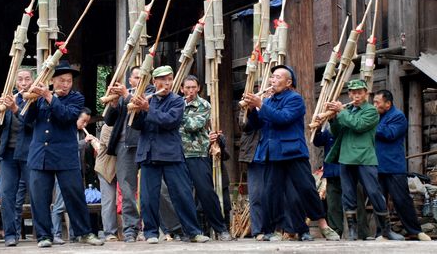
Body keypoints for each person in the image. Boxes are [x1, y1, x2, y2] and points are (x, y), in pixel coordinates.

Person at [243, 65, 339, 242]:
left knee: (305, 188)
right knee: (272, 192)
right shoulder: (269, 101)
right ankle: (273, 230)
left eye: (278, 77)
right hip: (273, 154)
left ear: (288, 82)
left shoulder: (295, 99)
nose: (273, 80)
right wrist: (251, 110)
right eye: (272, 77)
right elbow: (257, 125)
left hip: (293, 152)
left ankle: (323, 224)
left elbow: (283, 118)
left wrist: (260, 104)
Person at [23, 61, 103, 248]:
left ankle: (84, 233)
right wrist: (31, 100)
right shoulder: (40, 98)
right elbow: (27, 120)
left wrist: (50, 97)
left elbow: (66, 116)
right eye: (61, 80)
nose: (65, 84)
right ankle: (44, 235)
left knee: (74, 194)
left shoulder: (76, 99)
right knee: (39, 197)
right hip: (40, 154)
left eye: (68, 81)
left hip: (65, 154)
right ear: (52, 80)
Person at [130, 65, 210, 244]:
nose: (166, 83)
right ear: (154, 82)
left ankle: (193, 232)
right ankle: (151, 233)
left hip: (171, 153)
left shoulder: (177, 101)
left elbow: (169, 121)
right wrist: (136, 110)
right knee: (148, 197)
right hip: (148, 153)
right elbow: (136, 125)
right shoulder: (147, 97)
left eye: (169, 79)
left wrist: (147, 109)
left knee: (182, 194)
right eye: (162, 80)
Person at [325, 79, 404, 241]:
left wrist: (341, 111)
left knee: (374, 193)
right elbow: (336, 132)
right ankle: (353, 231)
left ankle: (386, 230)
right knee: (348, 195)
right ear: (349, 94)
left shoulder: (371, 111)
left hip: (364, 158)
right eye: (353, 93)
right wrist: (332, 118)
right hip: (346, 158)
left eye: (360, 92)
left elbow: (358, 125)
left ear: (366, 94)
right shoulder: (347, 110)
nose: (356, 96)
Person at [373, 89, 431, 241]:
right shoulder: (377, 116)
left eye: (377, 102)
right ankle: (381, 233)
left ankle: (415, 231)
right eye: (373, 102)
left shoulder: (398, 116)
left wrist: (372, 123)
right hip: (376, 165)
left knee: (401, 199)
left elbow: (390, 134)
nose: (374, 105)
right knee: (379, 201)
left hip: (394, 166)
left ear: (388, 103)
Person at [179, 75, 231, 241]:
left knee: (206, 192)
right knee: (183, 193)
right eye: (187, 88)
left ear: (199, 88)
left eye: (193, 87)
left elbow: (193, 125)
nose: (191, 91)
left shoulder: (203, 105)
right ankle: (189, 231)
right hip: (178, 154)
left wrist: (176, 113)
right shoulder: (177, 103)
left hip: (198, 153)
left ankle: (221, 229)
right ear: (181, 89)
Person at [0, 68, 35, 246]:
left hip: (29, 153)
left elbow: (32, 125)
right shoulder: (11, 97)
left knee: (36, 193)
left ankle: (43, 233)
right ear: (16, 83)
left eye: (27, 79)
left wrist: (16, 109)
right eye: (20, 80)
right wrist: (0, 108)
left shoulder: (36, 99)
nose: (23, 83)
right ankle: (10, 235)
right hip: (8, 154)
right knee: (7, 194)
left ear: (32, 80)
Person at [104, 66, 147, 243]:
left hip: (145, 144)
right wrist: (114, 103)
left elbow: (141, 109)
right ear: (130, 80)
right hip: (124, 145)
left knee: (155, 188)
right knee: (127, 188)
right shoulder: (123, 95)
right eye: (135, 78)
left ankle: (161, 228)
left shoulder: (150, 93)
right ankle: (130, 229)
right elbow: (108, 120)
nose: (138, 81)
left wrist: (126, 95)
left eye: (141, 78)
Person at [313, 128, 371, 239]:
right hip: (332, 172)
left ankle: (362, 233)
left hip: (350, 170)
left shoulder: (350, 123)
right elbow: (318, 142)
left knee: (357, 202)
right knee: (333, 205)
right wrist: (318, 129)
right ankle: (335, 233)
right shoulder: (328, 129)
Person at [51, 108, 91, 243]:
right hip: (63, 170)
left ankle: (74, 235)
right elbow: (70, 148)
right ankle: (56, 234)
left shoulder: (77, 133)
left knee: (73, 203)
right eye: (83, 121)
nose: (84, 125)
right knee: (59, 205)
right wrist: (85, 142)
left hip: (75, 172)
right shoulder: (66, 131)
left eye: (87, 122)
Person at [92, 123, 119, 241]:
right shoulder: (107, 127)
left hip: (121, 168)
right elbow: (114, 147)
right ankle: (109, 232)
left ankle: (131, 230)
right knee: (109, 199)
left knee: (129, 197)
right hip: (106, 168)